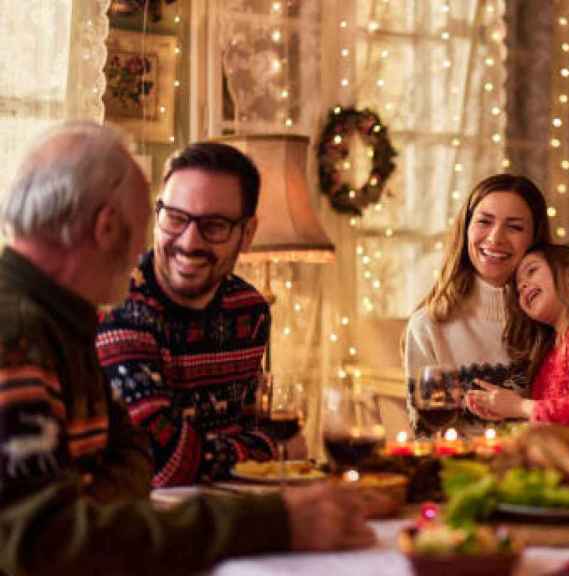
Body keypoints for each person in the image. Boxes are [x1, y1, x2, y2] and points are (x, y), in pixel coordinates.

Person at [0, 122, 375, 575]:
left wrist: (91, 506)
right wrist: (274, 522)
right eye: (158, 222)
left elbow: (132, 452)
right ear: (107, 227)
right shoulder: (18, 335)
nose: (153, 249)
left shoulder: (62, 323)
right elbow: (45, 543)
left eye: (214, 225)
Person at [96, 141, 275, 487]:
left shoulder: (250, 310)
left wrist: (254, 446)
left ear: (247, 234)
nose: (190, 242)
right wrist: (267, 449)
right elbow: (162, 463)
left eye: (215, 225)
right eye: (175, 219)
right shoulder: (119, 306)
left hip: (233, 512)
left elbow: (254, 426)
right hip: (145, 525)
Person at [404, 173, 551, 436]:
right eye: (484, 221)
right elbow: (426, 435)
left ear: (535, 239)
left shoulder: (553, 319)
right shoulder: (428, 325)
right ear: (466, 229)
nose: (495, 238)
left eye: (515, 227)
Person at [465, 243, 569, 443]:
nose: (523, 285)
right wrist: (507, 411)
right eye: (519, 288)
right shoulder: (548, 352)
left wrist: (518, 407)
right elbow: (553, 423)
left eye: (532, 270)